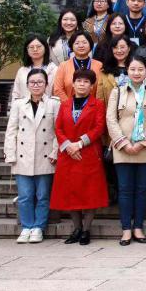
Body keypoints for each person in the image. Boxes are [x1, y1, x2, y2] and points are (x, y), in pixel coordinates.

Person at [106, 56, 146, 246]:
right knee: (125, 189)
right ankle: (126, 229)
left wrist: (143, 142)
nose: (137, 73)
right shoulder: (117, 91)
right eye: (133, 69)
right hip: (123, 148)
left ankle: (138, 227)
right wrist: (123, 142)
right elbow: (111, 119)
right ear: (127, 71)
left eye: (140, 69)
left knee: (142, 190)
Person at [50, 68, 107, 246]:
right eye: (79, 81)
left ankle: (86, 230)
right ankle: (76, 228)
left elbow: (99, 127)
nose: (82, 84)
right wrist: (68, 146)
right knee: (71, 192)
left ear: (92, 86)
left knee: (90, 193)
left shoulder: (98, 104)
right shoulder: (65, 104)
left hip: (88, 154)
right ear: (73, 84)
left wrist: (80, 143)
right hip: (68, 154)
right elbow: (58, 127)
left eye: (86, 82)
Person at [5, 68, 61, 244]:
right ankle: (26, 226)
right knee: (25, 195)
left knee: (43, 195)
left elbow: (59, 131)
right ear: (27, 84)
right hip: (23, 156)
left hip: (45, 156)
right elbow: (11, 130)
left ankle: (38, 227)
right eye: (32, 82)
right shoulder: (18, 104)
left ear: (46, 84)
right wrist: (10, 154)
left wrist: (55, 152)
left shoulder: (54, 104)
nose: (36, 85)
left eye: (40, 82)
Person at [52, 33, 103, 104]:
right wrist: (69, 105)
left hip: (94, 107)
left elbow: (101, 90)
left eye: (84, 42)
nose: (81, 46)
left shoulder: (99, 65)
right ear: (71, 46)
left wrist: (94, 105)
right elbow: (58, 89)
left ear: (90, 45)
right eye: (77, 43)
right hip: (68, 107)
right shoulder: (63, 66)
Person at [13, 35, 57, 101]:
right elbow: (16, 93)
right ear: (27, 50)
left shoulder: (55, 70)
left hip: (48, 106)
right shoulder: (21, 71)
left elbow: (57, 93)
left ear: (45, 48)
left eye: (39, 46)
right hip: (24, 106)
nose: (35, 49)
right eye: (31, 47)